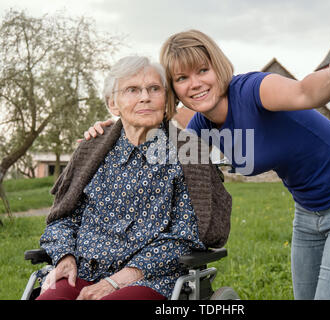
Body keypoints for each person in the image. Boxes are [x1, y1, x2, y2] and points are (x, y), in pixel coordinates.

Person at [85, 29, 330, 300]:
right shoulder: (200, 128)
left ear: (217, 68)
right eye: (181, 78)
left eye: (202, 70)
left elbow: (304, 91)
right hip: (309, 209)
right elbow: (157, 153)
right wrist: (117, 128)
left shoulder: (252, 91)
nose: (195, 84)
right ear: (173, 89)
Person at [36, 55, 231, 300]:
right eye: (132, 89)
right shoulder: (92, 150)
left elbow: (185, 237)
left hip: (151, 278)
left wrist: (115, 281)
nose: (145, 97)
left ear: (166, 100)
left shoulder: (188, 154)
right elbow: (62, 219)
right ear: (113, 104)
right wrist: (64, 257)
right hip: (83, 270)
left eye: (154, 89)